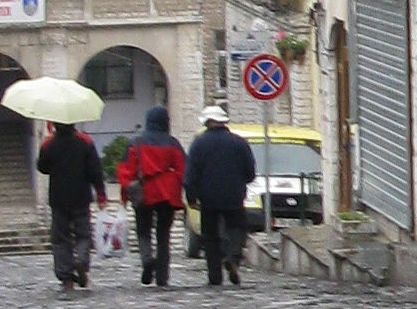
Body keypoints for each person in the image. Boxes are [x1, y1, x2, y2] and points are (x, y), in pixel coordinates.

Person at [185, 102, 259, 289]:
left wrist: (192, 198)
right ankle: (233, 257)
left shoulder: (199, 144)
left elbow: (191, 174)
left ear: (207, 122)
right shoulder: (239, 143)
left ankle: (214, 275)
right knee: (236, 229)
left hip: (208, 198)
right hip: (234, 195)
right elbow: (250, 172)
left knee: (210, 237)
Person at [115, 105, 188, 288]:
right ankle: (162, 276)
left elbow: (126, 171)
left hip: (144, 192)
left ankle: (147, 259)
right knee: (164, 235)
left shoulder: (136, 143)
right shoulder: (173, 143)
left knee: (143, 230)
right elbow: (183, 170)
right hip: (167, 194)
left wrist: (125, 193)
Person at [38, 119, 106, 290]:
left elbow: (42, 167)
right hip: (81, 196)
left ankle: (66, 277)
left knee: (61, 238)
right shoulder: (85, 142)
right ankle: (81, 261)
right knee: (83, 234)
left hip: (59, 198)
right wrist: (101, 194)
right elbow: (95, 171)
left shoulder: (49, 144)